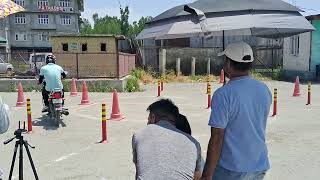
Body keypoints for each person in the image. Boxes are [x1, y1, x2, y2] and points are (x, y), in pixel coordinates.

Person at [202, 42, 272, 180]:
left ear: (228, 63)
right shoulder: (263, 89)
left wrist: (207, 175)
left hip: (232, 168)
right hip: (258, 165)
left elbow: (217, 138)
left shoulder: (223, 95)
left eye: (225, 60)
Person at [132, 99, 202, 180]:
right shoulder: (194, 143)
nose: (147, 124)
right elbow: (197, 177)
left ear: (152, 117)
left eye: (148, 120)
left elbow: (139, 172)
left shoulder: (139, 135)